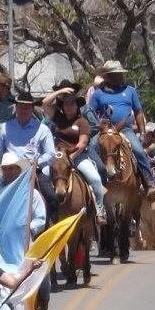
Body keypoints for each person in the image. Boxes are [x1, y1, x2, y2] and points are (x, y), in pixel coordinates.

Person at [87, 60, 155, 199]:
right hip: (104, 132)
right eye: (117, 74)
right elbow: (89, 112)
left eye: (121, 74)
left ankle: (149, 183)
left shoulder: (130, 91)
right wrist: (97, 124)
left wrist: (142, 132)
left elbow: (138, 111)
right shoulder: (98, 94)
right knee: (92, 149)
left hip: (125, 129)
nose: (121, 76)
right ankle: (93, 186)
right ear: (108, 76)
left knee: (139, 150)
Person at [47, 86, 107, 223]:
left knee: (96, 179)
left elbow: (82, 143)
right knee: (42, 176)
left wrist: (70, 157)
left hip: (77, 156)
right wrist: (59, 92)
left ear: (76, 106)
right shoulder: (58, 117)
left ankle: (99, 210)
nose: (68, 107)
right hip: (57, 158)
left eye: (71, 103)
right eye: (65, 104)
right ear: (62, 106)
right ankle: (45, 212)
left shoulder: (82, 121)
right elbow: (45, 103)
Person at [0, 91, 56, 205]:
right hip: (8, 170)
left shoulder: (42, 129)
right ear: (16, 108)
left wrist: (37, 161)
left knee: (51, 196)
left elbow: (51, 153)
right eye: (21, 107)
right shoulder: (6, 127)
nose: (23, 111)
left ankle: (51, 221)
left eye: (27, 108)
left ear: (32, 109)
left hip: (32, 170)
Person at [0, 153, 47, 236]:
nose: (8, 172)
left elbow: (40, 219)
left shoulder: (32, 194)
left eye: (11, 168)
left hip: (23, 240)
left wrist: (24, 230)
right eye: (5, 169)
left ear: (18, 170)